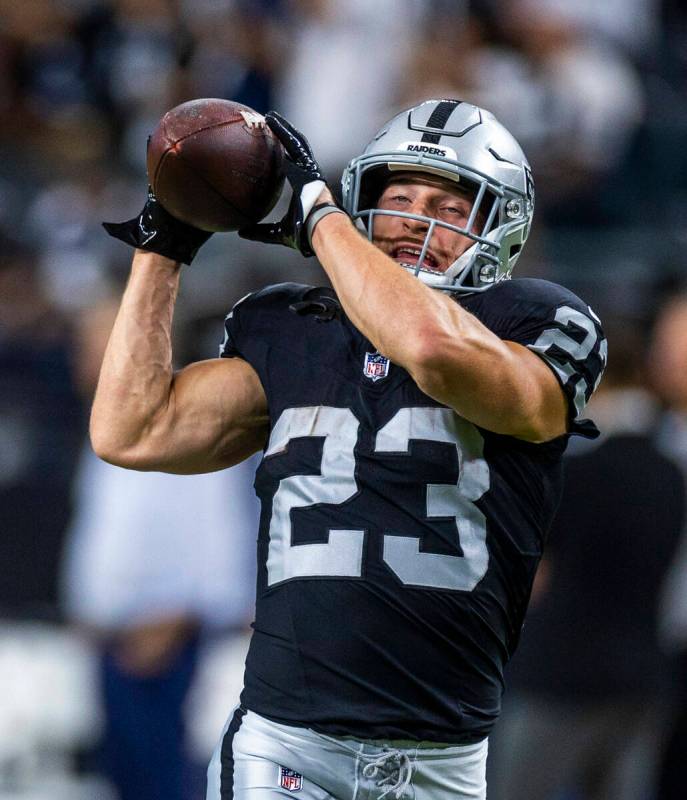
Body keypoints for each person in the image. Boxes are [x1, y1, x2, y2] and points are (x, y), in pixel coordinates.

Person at [92, 99, 607, 800]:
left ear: (499, 227)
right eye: (397, 197)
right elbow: (131, 429)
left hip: (443, 763)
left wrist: (318, 216)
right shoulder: (294, 325)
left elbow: (431, 350)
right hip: (286, 745)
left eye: (449, 207)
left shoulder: (537, 321)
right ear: (363, 202)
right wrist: (163, 247)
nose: (415, 221)